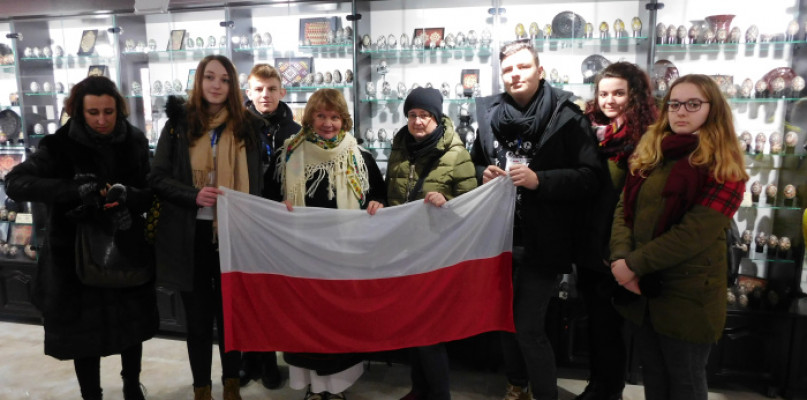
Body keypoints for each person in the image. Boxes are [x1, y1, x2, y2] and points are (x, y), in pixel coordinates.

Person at [5, 76, 158, 400]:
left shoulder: (134, 141)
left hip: (124, 246)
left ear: (118, 109)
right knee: (82, 336)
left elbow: (150, 192)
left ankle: (132, 386)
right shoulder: (59, 145)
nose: (102, 120)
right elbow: (16, 183)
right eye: (93, 112)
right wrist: (73, 190)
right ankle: (92, 395)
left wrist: (127, 196)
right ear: (79, 111)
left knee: (131, 328)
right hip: (73, 256)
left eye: (108, 112)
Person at [470, 40, 606, 400]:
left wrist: (540, 181)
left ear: (540, 71)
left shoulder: (568, 116)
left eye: (523, 67)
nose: (515, 74)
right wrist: (483, 173)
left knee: (529, 326)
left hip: (545, 242)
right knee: (504, 320)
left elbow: (592, 177)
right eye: (508, 69)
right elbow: (474, 163)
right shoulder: (489, 115)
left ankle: (545, 394)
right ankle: (517, 385)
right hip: (498, 238)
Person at [609, 74, 748, 400]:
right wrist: (620, 258)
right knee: (654, 378)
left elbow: (693, 234)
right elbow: (624, 210)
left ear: (713, 109)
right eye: (674, 104)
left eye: (693, 104)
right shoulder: (652, 150)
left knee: (685, 382)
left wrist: (631, 266)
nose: (681, 111)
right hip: (643, 291)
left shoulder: (724, 164)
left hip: (688, 294)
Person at [148, 54, 265, 400]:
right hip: (191, 236)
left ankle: (231, 387)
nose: (217, 85)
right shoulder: (178, 125)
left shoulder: (248, 126)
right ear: (199, 81)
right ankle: (202, 389)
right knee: (197, 320)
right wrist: (193, 195)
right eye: (210, 77)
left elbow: (259, 180)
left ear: (233, 86)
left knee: (232, 317)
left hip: (235, 233)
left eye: (225, 79)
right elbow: (157, 178)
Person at [264, 88, 386, 400]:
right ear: (310, 118)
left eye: (334, 116)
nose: (327, 123)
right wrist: (278, 205)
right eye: (320, 115)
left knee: (339, 322)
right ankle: (311, 387)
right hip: (300, 259)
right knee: (305, 324)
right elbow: (267, 198)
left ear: (344, 120)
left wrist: (377, 204)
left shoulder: (360, 158)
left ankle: (337, 388)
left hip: (343, 261)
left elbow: (378, 195)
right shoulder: (288, 155)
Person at [383, 87, 477, 400]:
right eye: (412, 115)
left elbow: (471, 205)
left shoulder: (456, 153)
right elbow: (392, 192)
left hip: (438, 254)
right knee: (413, 325)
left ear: (437, 117)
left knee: (429, 332)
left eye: (425, 115)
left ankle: (438, 394)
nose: (418, 121)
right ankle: (419, 389)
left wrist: (447, 202)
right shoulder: (400, 147)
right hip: (405, 251)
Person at [576, 62, 659, 400]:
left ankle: (608, 390)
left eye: (619, 93)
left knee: (612, 325)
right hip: (590, 243)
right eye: (603, 93)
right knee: (596, 322)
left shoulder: (646, 139)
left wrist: (621, 251)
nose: (609, 100)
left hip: (620, 247)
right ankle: (597, 386)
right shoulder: (591, 132)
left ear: (634, 95)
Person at [238, 63, 300, 390]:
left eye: (272, 89)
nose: (265, 95)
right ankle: (252, 360)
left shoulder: (295, 131)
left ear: (282, 91)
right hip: (245, 219)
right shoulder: (236, 127)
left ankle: (272, 357)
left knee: (275, 295)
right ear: (248, 92)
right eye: (259, 89)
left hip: (281, 222)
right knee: (247, 292)